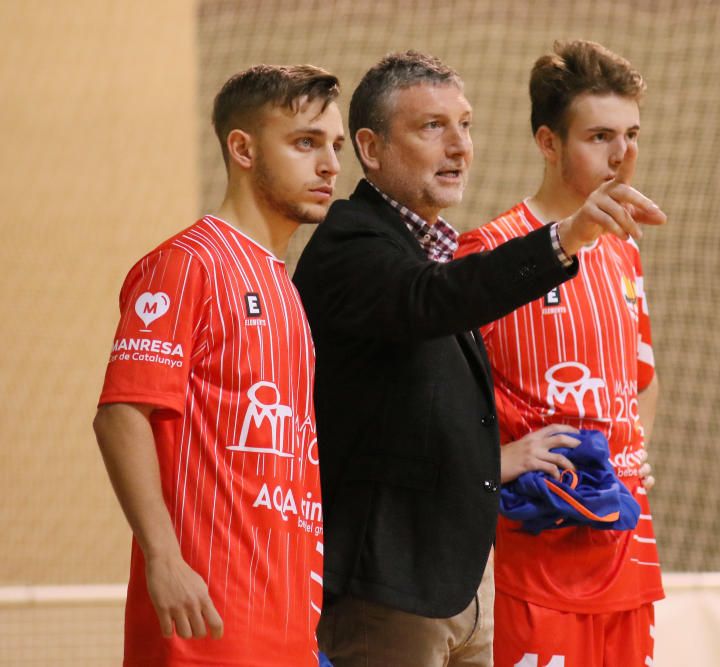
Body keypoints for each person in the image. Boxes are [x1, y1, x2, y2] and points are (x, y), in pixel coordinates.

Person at [292, 50, 665, 667]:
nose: (460, 146)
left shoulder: (425, 252)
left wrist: (630, 452)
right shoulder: (354, 243)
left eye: (464, 125)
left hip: (464, 583)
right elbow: (435, 300)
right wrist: (562, 240)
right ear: (371, 147)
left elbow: (638, 381)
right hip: (398, 584)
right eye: (432, 127)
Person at [92, 64, 345, 666]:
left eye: (334, 145)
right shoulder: (187, 264)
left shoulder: (284, 288)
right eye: (306, 142)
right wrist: (164, 558)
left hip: (286, 626)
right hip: (203, 625)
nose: (330, 164)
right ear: (243, 149)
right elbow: (121, 412)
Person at [455, 40, 665, 666]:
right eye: (600, 136)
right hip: (534, 555)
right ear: (548, 143)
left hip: (627, 550)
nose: (622, 155)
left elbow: (643, 380)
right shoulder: (487, 251)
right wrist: (500, 458)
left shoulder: (624, 250)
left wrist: (635, 451)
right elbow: (434, 399)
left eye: (631, 134)